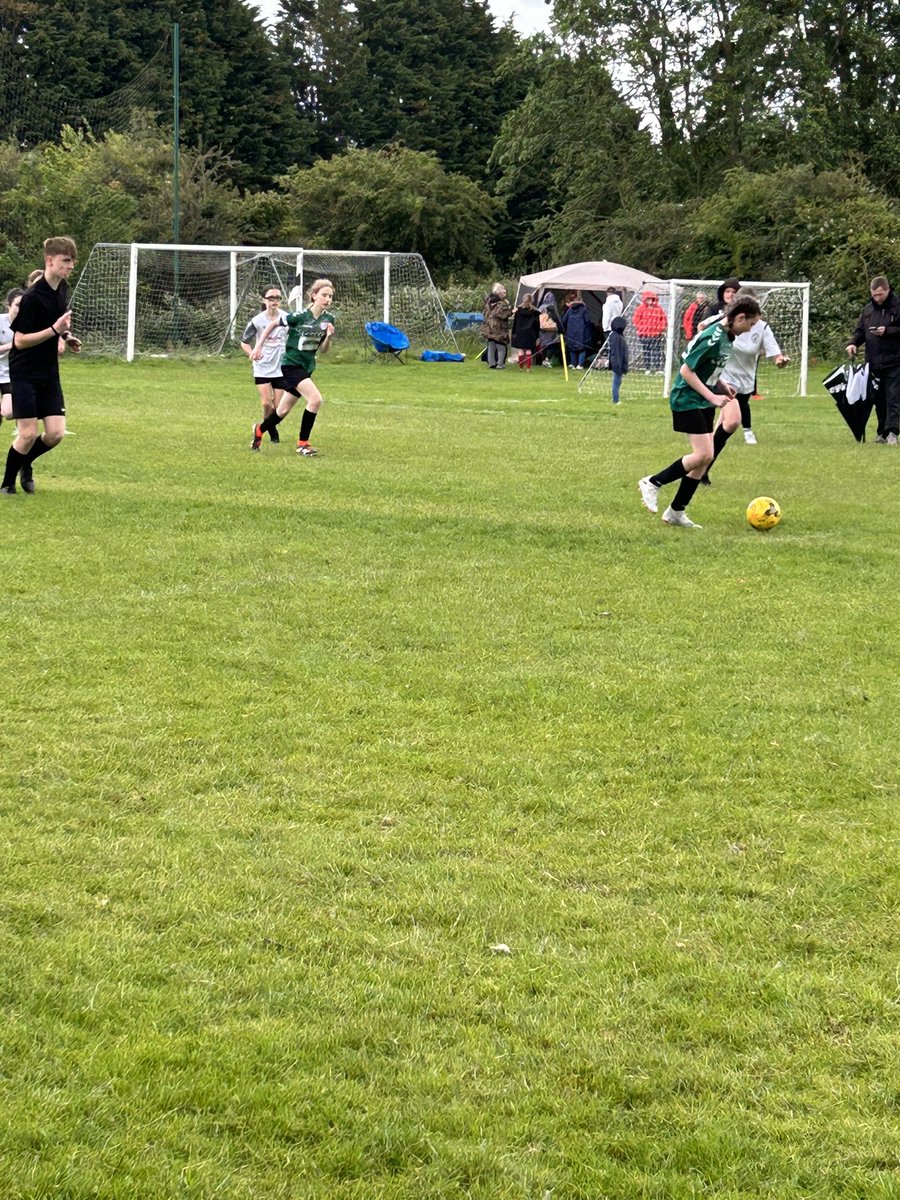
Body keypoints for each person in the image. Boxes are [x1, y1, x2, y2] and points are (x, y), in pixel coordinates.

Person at [637, 295, 762, 528]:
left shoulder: (728, 335)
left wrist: (722, 385)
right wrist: (712, 396)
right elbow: (686, 370)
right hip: (687, 398)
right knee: (703, 455)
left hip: (701, 399)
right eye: (751, 324)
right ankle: (653, 482)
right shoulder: (713, 337)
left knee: (705, 459)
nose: (751, 329)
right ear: (740, 317)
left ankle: (676, 511)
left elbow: (709, 368)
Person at [1, 237, 82, 497]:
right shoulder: (32, 297)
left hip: (48, 371)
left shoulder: (62, 288)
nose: (71, 266)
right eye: (66, 261)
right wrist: (54, 331)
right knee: (27, 434)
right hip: (24, 373)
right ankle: (7, 484)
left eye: (72, 261)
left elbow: (58, 323)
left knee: (56, 433)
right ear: (50, 261)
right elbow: (20, 341)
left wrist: (67, 337)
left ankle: (26, 462)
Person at [700, 290, 790, 484]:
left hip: (745, 385)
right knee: (732, 422)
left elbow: (775, 354)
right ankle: (701, 466)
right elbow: (702, 328)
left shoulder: (762, 327)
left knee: (721, 429)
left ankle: (702, 467)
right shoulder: (725, 321)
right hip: (724, 380)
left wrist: (780, 360)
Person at [250, 278, 335, 455]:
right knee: (315, 399)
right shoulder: (299, 317)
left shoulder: (328, 319)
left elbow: (324, 350)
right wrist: (258, 346)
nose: (327, 299)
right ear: (313, 296)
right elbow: (273, 324)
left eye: (330, 296)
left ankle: (259, 430)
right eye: (324, 295)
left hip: (307, 367)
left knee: (282, 411)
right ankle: (303, 444)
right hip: (291, 366)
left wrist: (328, 336)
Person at [846, 274, 900, 445]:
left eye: (880, 294)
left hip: (895, 360)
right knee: (878, 399)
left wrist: (888, 331)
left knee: (893, 397)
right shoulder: (868, 310)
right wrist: (853, 343)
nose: (877, 298)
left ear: (887, 290)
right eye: (874, 294)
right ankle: (881, 432)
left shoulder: (898, 307)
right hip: (874, 361)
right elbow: (860, 331)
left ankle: (892, 432)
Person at [240, 286, 288, 444]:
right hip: (262, 367)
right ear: (264, 300)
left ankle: (263, 428)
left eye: (277, 298)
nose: (274, 301)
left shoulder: (286, 318)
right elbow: (244, 343)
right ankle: (271, 430)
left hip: (281, 368)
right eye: (271, 298)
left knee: (278, 407)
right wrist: (252, 353)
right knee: (267, 403)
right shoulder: (257, 321)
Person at [0, 288, 24, 423]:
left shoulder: (29, 325)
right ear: (8, 305)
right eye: (18, 305)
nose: (21, 309)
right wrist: (13, 345)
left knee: (8, 413)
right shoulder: (0, 322)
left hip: (10, 376)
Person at [632, 289, 667, 371]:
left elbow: (664, 320)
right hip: (644, 335)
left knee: (657, 351)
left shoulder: (659, 308)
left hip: (656, 334)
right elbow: (635, 320)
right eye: (648, 299)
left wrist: (660, 329)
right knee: (646, 351)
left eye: (651, 298)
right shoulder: (640, 309)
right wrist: (643, 328)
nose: (650, 300)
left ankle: (658, 368)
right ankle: (647, 368)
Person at [481, 283, 512, 369]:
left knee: (491, 345)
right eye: (504, 293)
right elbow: (501, 314)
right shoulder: (500, 303)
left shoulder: (488, 301)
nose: (505, 294)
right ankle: (500, 364)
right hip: (498, 328)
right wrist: (511, 310)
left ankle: (491, 363)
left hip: (488, 327)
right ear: (500, 293)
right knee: (501, 346)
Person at [562, 291, 594, 369]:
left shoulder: (570, 310)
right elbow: (587, 320)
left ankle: (573, 364)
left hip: (571, 332)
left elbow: (563, 319)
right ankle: (580, 365)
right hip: (581, 332)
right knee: (582, 349)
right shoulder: (583, 309)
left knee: (572, 349)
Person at [510, 293, 540, 369]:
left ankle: (521, 367)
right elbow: (537, 325)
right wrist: (537, 336)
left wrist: (514, 333)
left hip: (520, 333)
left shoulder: (518, 311)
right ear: (532, 301)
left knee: (520, 351)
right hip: (530, 333)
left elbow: (515, 323)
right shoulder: (535, 312)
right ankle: (528, 368)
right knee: (528, 350)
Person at [607, 315, 629, 405]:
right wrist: (619, 365)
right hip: (618, 363)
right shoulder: (617, 337)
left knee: (618, 382)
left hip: (618, 363)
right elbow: (617, 353)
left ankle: (615, 399)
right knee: (616, 382)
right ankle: (615, 400)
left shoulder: (616, 336)